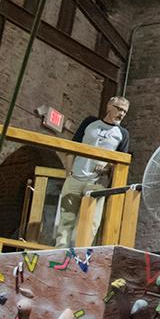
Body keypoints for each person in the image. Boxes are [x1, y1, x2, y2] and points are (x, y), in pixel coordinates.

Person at [54, 96, 130, 248]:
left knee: (90, 223)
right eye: (119, 109)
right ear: (109, 106)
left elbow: (121, 162)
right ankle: (60, 251)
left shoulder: (122, 133)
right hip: (76, 176)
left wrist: (107, 167)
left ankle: (81, 254)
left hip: (96, 183)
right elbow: (72, 146)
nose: (121, 114)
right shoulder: (90, 123)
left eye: (125, 111)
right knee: (65, 218)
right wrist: (68, 170)